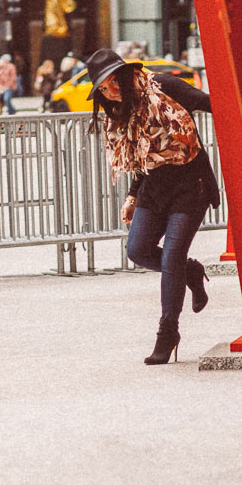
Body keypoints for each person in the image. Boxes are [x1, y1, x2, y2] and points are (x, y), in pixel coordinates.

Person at [85, 48, 218, 365]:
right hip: (155, 187)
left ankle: (167, 332)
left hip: (190, 183)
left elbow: (207, 102)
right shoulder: (120, 112)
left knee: (172, 254)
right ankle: (192, 272)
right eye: (103, 89)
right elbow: (139, 158)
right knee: (138, 248)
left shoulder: (162, 86)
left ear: (126, 74)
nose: (111, 91)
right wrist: (132, 195)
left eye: (113, 82)